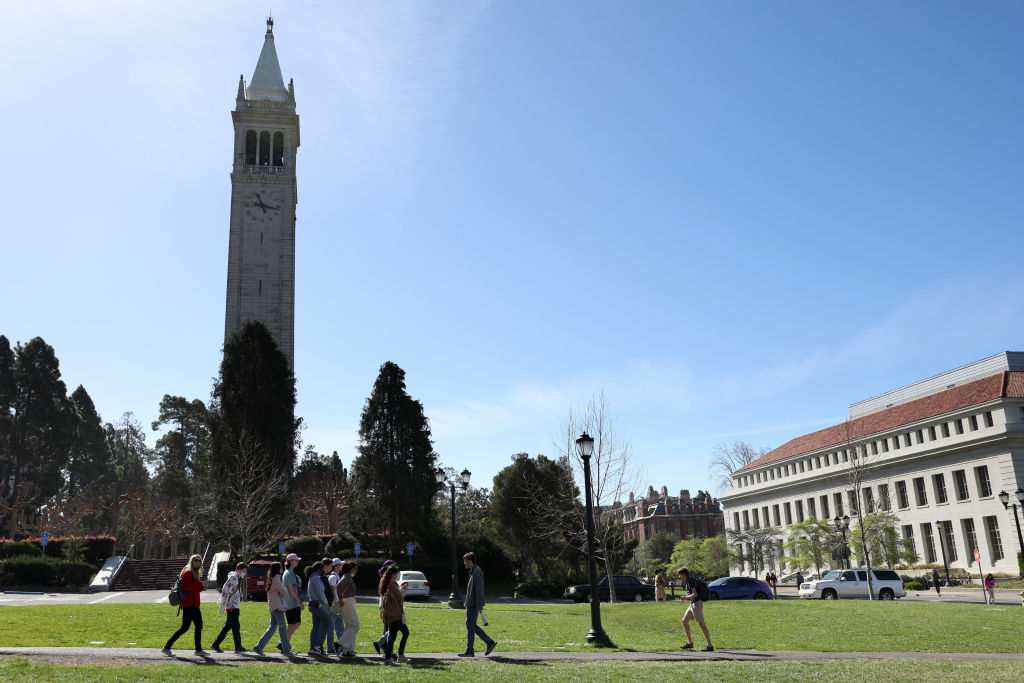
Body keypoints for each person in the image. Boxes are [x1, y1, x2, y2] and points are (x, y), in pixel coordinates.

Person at [162, 554, 205, 655]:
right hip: (189, 604)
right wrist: (199, 585)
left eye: (199, 561)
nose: (198, 562)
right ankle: (166, 647)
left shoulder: (194, 573)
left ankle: (198, 649)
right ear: (191, 561)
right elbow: (186, 587)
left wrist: (201, 587)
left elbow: (193, 588)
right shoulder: (188, 572)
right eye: (196, 560)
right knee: (185, 627)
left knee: (198, 625)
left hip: (193, 604)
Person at [459, 552, 497, 657]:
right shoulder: (473, 571)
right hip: (471, 603)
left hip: (474, 604)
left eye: (465, 561)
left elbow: (479, 590)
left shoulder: (476, 571)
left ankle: (472, 649)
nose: (464, 564)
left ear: (471, 561)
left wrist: (480, 606)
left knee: (470, 625)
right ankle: (488, 643)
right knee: (471, 625)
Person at [254, 561, 294, 655]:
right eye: (280, 568)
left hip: (273, 606)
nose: (282, 569)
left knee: (272, 628)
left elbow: (280, 592)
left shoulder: (272, 578)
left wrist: (281, 592)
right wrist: (283, 592)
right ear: (277, 569)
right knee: (283, 627)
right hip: (278, 606)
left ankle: (259, 647)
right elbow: (284, 592)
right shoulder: (276, 579)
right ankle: (287, 648)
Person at [211, 561, 247, 652]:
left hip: (233, 606)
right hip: (232, 606)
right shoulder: (234, 578)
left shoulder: (236, 577)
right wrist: (224, 603)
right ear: (239, 570)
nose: (245, 573)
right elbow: (225, 589)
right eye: (244, 571)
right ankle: (238, 646)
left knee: (228, 626)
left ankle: (216, 644)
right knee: (235, 626)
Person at [677, 567, 713, 652]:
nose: (679, 576)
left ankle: (710, 645)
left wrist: (685, 598)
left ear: (684, 574)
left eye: (680, 574)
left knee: (701, 624)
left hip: (696, 603)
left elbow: (695, 594)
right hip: (692, 603)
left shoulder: (690, 581)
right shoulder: (688, 581)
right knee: (684, 621)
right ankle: (690, 643)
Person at [379, 564, 408, 663]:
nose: (398, 575)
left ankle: (400, 655)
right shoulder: (392, 584)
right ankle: (389, 658)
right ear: (393, 574)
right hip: (394, 614)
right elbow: (399, 597)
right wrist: (402, 591)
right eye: (397, 573)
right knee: (393, 636)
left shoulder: (387, 583)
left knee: (403, 633)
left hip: (393, 613)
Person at [305, 561, 331, 656]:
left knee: (316, 627)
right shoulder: (316, 578)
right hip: (318, 605)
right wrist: (326, 604)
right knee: (327, 622)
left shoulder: (312, 577)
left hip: (313, 605)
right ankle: (318, 646)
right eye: (323, 569)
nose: (324, 570)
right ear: (318, 569)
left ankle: (313, 648)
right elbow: (321, 593)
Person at [372, 559, 397, 655]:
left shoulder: (386, 579)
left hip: (385, 607)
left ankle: (386, 649)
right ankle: (383, 646)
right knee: (391, 629)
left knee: (388, 629)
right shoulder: (387, 580)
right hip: (387, 607)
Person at [337, 561, 360, 657]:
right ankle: (339, 644)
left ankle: (348, 651)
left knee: (349, 626)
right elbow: (338, 586)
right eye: (355, 569)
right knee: (355, 625)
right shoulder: (348, 576)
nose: (356, 571)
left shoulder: (346, 576)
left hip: (347, 602)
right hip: (347, 602)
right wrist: (340, 599)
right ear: (350, 569)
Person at [282, 553, 305, 646]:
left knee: (292, 624)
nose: (297, 562)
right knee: (296, 623)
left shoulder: (286, 572)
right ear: (291, 561)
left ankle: (285, 644)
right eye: (296, 560)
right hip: (292, 603)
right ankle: (284, 643)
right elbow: (292, 589)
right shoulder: (290, 573)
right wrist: (300, 602)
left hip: (288, 603)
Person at [326, 558, 345, 654]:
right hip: (335, 606)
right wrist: (337, 602)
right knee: (332, 626)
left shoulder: (336, 576)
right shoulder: (333, 577)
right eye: (340, 564)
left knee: (340, 627)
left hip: (337, 605)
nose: (341, 566)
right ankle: (331, 647)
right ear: (336, 566)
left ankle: (340, 647)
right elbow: (333, 591)